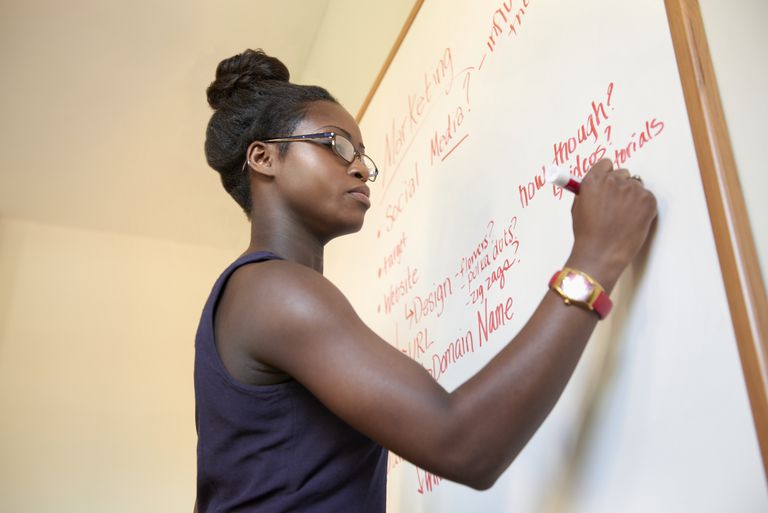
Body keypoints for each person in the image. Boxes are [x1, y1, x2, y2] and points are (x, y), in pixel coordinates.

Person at [193, 48, 657, 513]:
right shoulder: (273, 290)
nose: (359, 167)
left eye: (362, 156)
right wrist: (595, 256)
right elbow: (466, 446)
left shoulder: (256, 294)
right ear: (264, 158)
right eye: (336, 145)